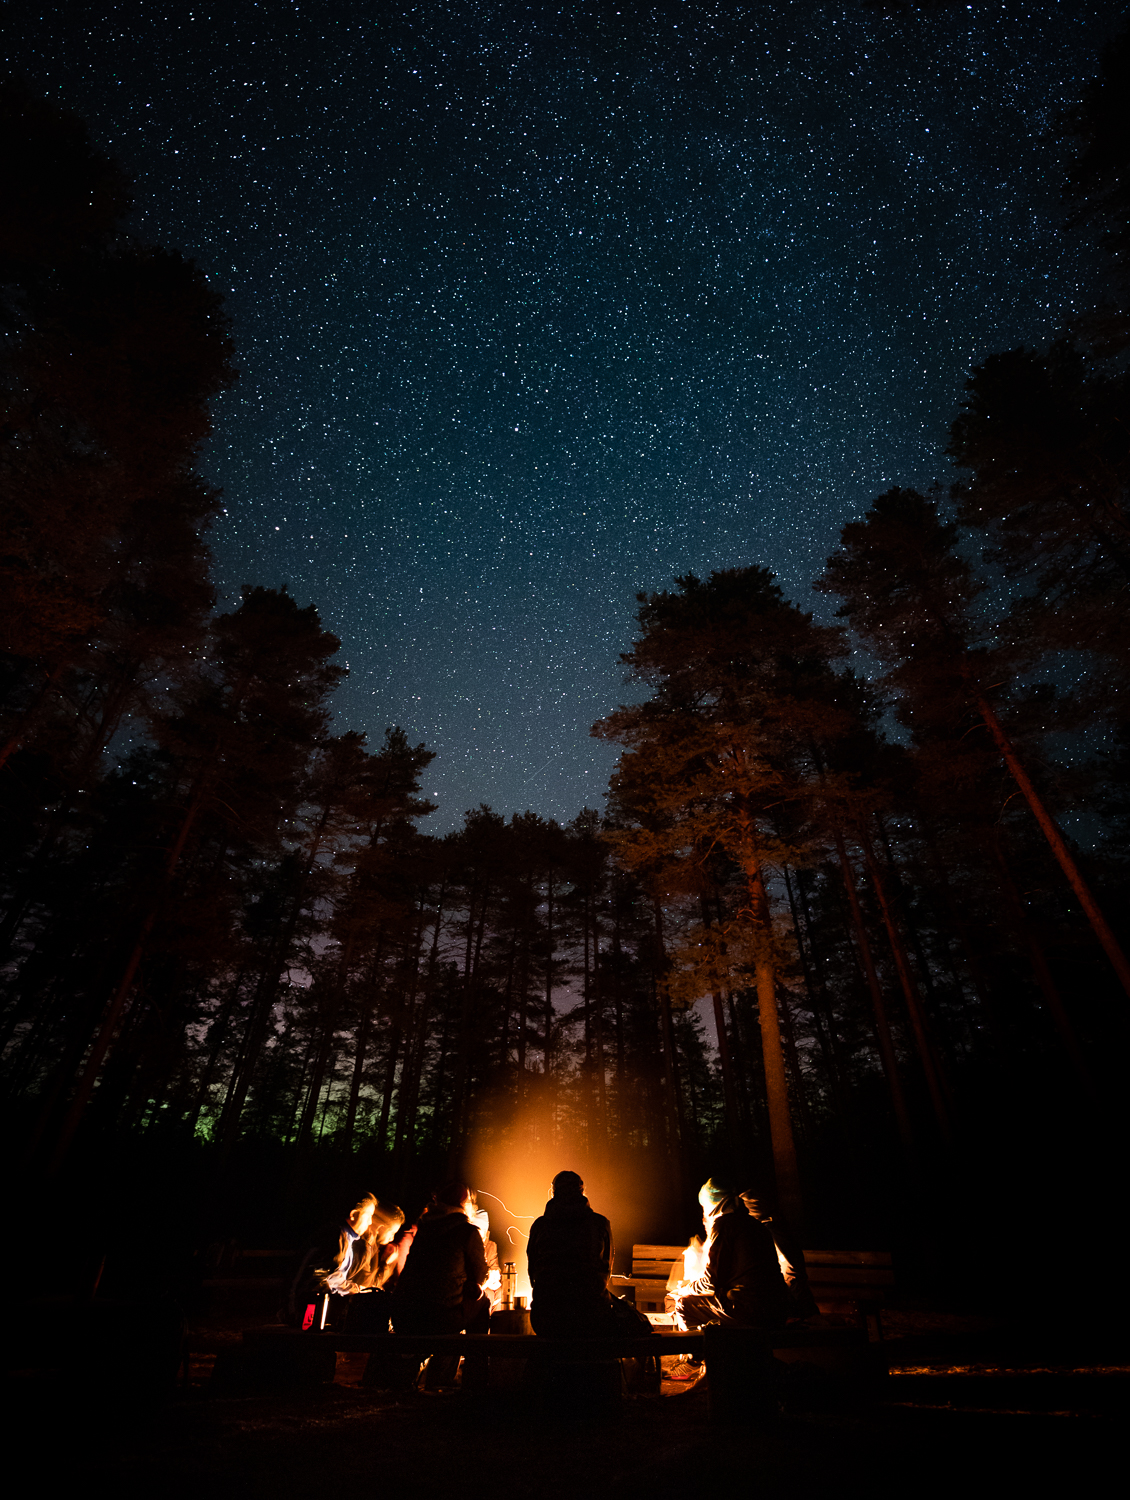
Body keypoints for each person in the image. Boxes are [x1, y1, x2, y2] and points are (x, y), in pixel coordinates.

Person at [391, 1181, 489, 1388]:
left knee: (448, 1310)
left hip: (406, 1315)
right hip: (440, 1317)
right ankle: (474, 1376)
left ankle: (418, 1373)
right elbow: (479, 1275)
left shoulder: (424, 1231)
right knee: (482, 1304)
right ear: (464, 1204)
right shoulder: (467, 1231)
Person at [669, 1178, 789, 1333]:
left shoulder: (724, 1225)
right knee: (720, 1302)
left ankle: (700, 1354)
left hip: (751, 1311)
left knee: (684, 1304)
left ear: (713, 1204)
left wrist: (685, 1289)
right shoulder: (757, 1225)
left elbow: (710, 1282)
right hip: (777, 1311)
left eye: (704, 1207)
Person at [526, 1170, 614, 1337]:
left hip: (546, 1317)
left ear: (553, 1193)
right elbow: (606, 1269)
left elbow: (532, 1272)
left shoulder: (540, 1226)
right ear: (581, 1191)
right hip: (591, 1315)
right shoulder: (599, 1224)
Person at [739, 1187, 818, 1321]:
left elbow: (792, 1274)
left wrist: (808, 1312)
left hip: (791, 1307)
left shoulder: (772, 1234)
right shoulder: (767, 1231)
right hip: (784, 1304)